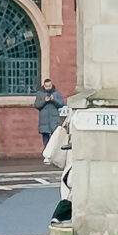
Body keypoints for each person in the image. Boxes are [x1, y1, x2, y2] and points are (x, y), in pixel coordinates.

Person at [41, 89, 74, 225]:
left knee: (69, 189)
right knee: (71, 189)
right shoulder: (78, 115)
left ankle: (60, 216)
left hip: (72, 161)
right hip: (74, 161)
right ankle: (59, 216)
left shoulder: (75, 113)